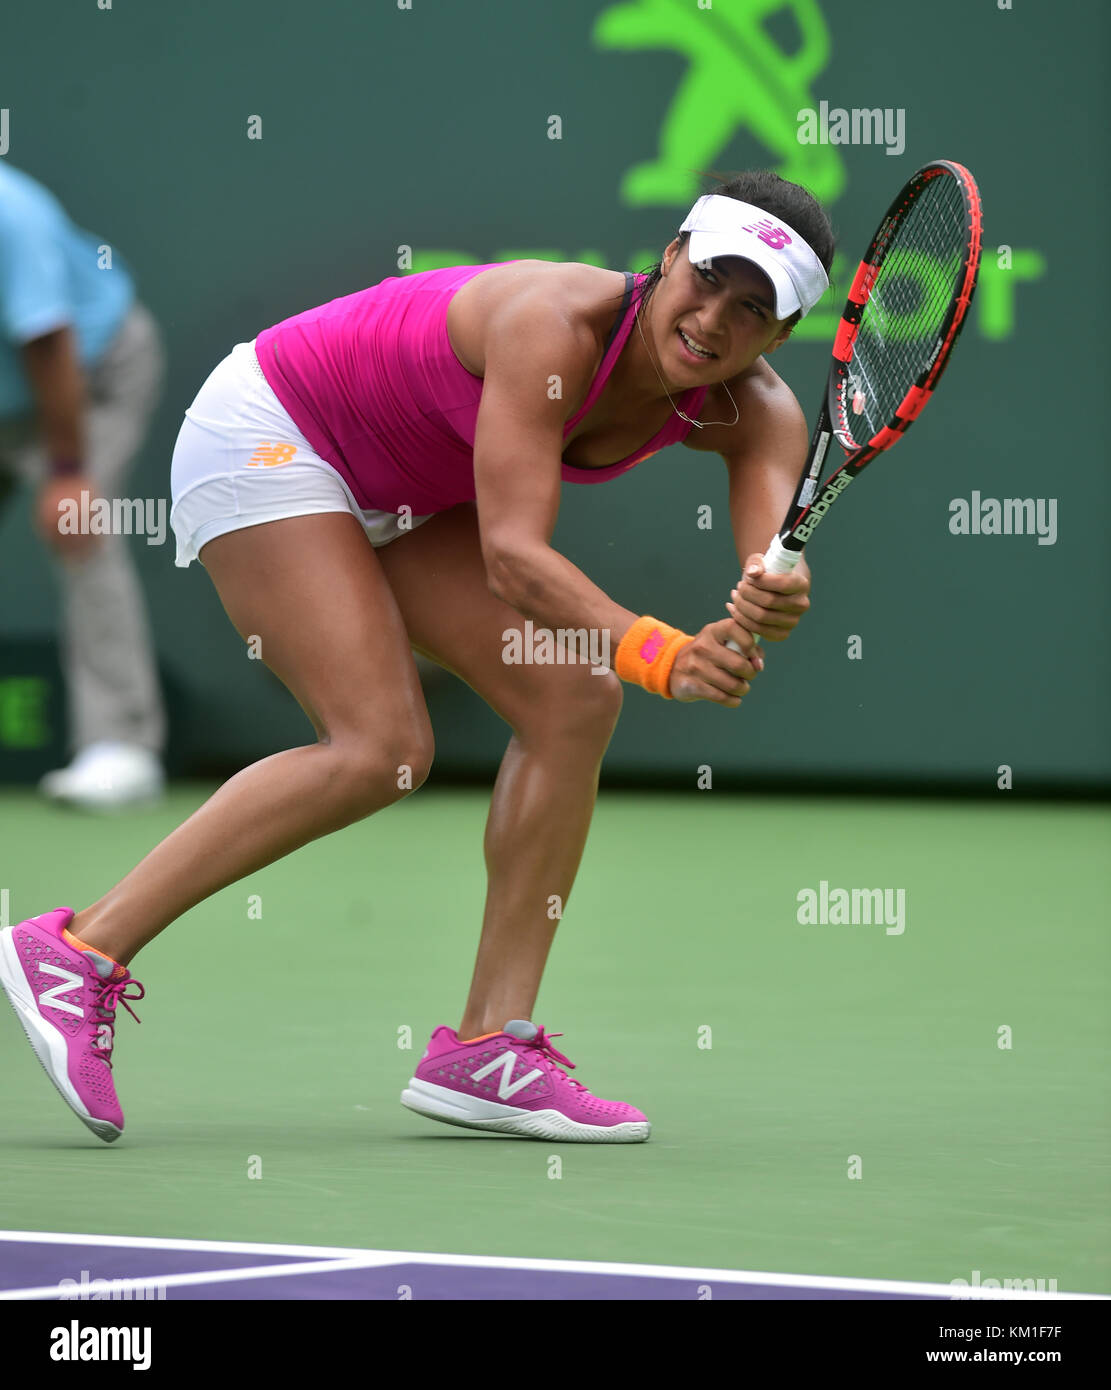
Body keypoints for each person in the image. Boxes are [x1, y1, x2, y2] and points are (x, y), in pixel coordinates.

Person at [0, 170, 832, 1145]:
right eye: (708, 278)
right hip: (272, 435)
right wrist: (662, 651)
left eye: (752, 310)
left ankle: (488, 1045)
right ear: (669, 253)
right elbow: (513, 558)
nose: (712, 319)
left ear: (776, 340)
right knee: (379, 746)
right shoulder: (550, 321)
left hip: (399, 492)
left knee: (575, 699)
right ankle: (75, 950)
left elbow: (763, 559)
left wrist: (765, 598)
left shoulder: (759, 413)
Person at [0, 162, 166, 808]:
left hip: (88, 382)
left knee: (80, 535)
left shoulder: (13, 215)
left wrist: (69, 475)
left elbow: (48, 345)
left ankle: (123, 747)